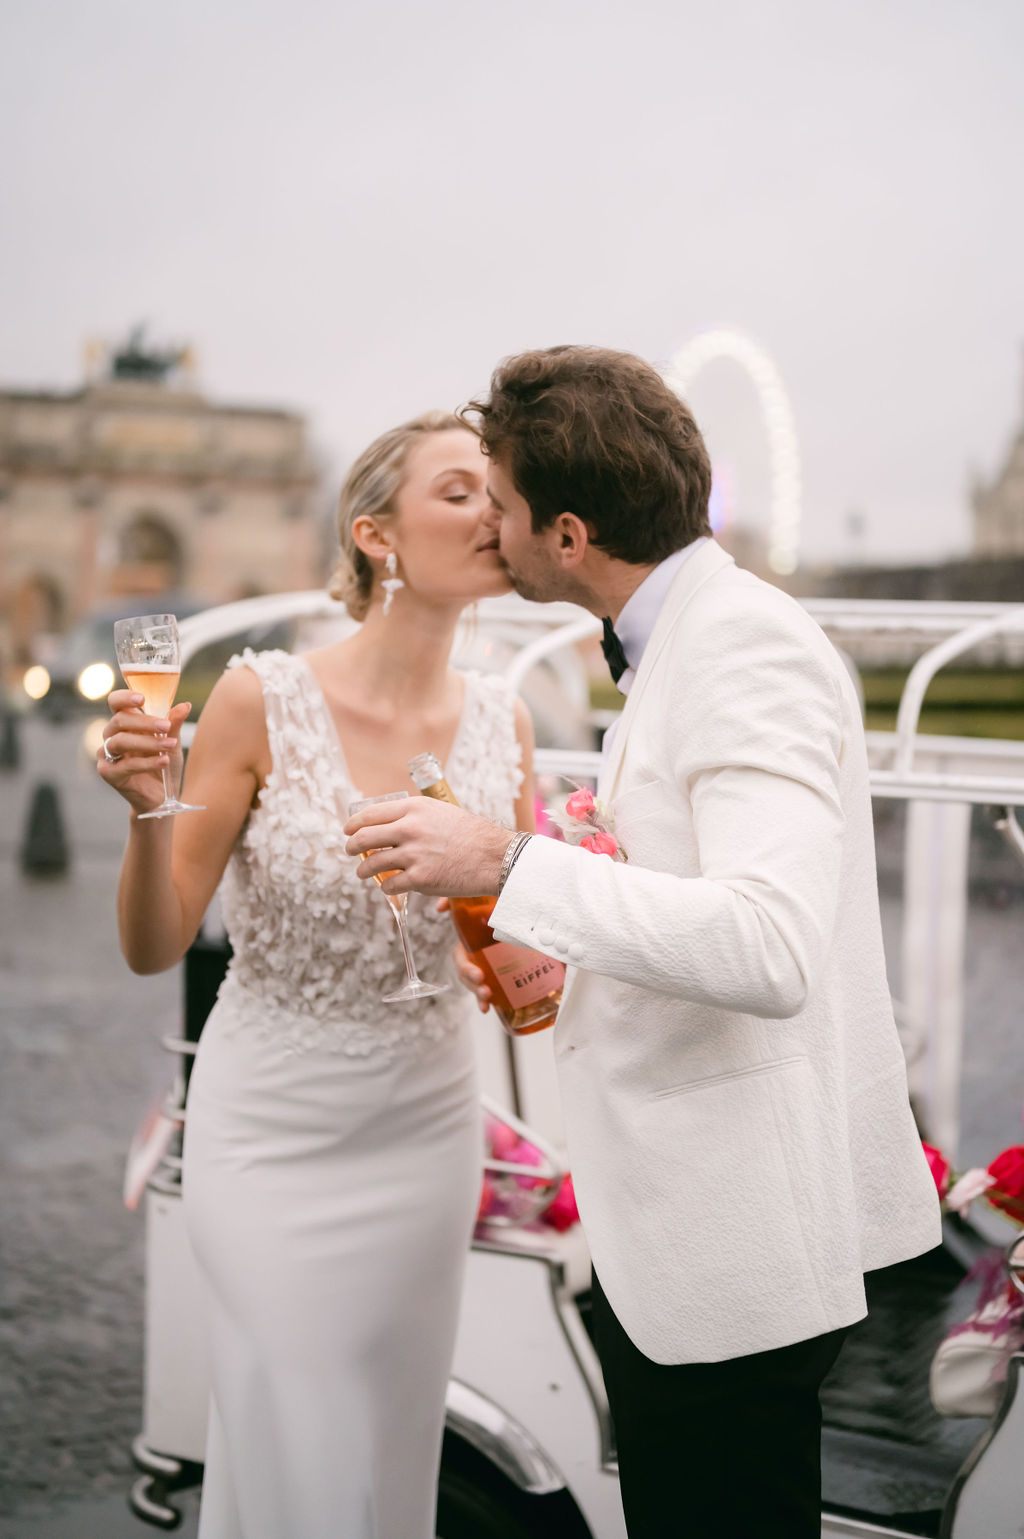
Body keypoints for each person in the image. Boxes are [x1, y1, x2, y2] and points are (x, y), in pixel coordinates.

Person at [345, 348, 942, 1538]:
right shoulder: (689, 636)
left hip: (729, 1247)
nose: (494, 532)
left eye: (504, 509)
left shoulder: (738, 647)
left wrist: (507, 865)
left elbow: (769, 945)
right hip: (693, 1234)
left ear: (568, 534)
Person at [98, 411, 535, 1539]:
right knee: (300, 1435)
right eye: (459, 492)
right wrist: (152, 819)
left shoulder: (507, 724)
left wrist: (544, 963)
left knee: (389, 1455)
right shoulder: (259, 698)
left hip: (426, 1132)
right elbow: (155, 943)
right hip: (272, 1135)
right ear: (375, 533)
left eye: (501, 493)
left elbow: (512, 965)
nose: (493, 513)